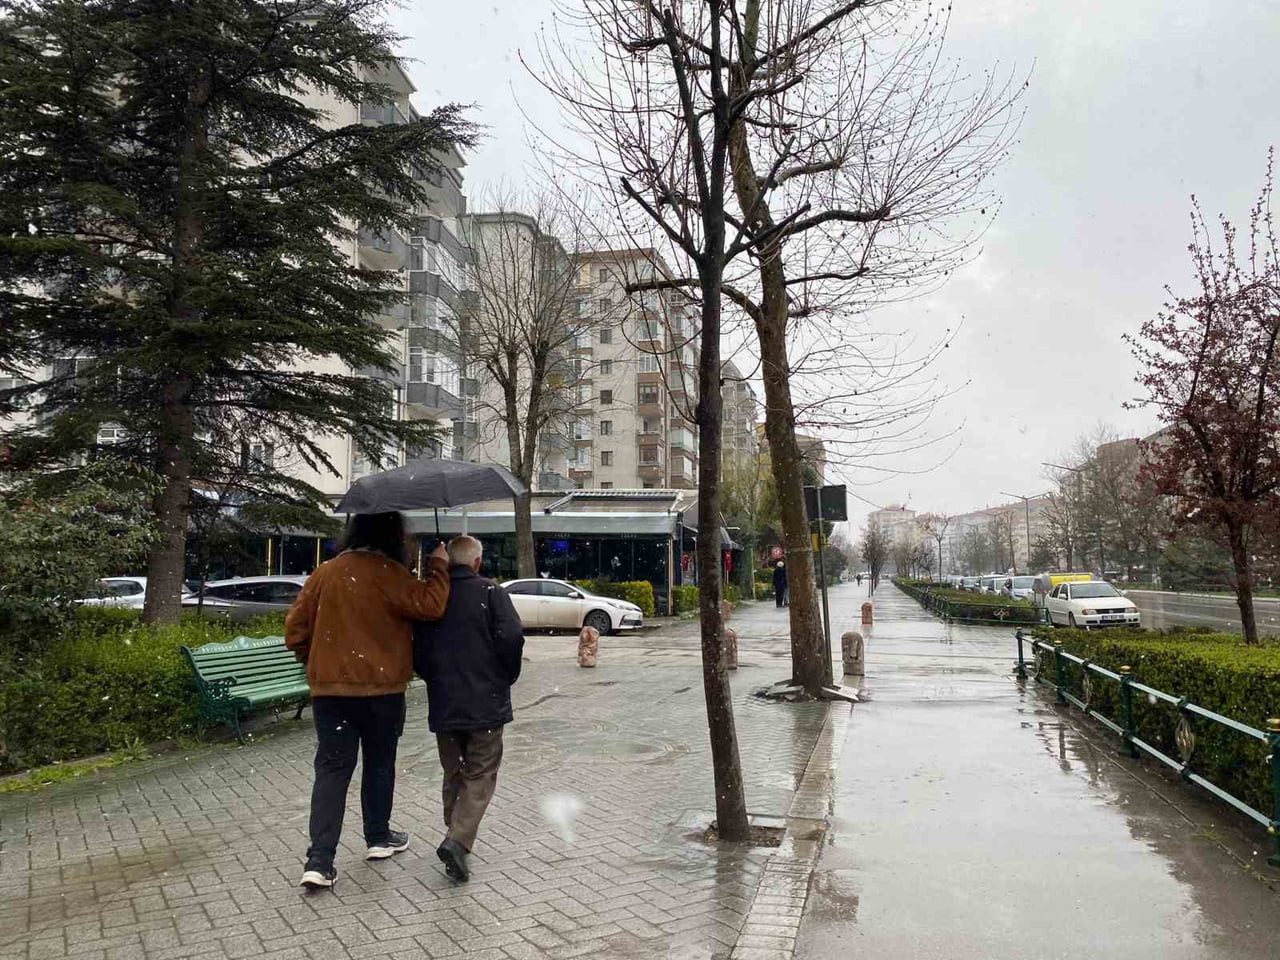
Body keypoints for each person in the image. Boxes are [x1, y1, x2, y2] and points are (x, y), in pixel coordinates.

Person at [285, 512, 451, 890]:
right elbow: (431, 607)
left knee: (331, 772)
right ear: (396, 536)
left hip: (332, 695)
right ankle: (377, 837)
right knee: (379, 764)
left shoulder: (324, 573)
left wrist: (321, 661)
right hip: (383, 693)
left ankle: (320, 860)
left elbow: (295, 631)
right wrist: (439, 567)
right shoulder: (391, 574)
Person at [413, 535, 524, 883]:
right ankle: (458, 842)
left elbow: (417, 649)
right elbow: (512, 637)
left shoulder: (433, 597)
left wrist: (434, 677)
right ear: (476, 562)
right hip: (485, 703)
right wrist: (504, 675)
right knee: (480, 773)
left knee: (454, 772)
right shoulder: (491, 593)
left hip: (445, 703)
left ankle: (455, 838)